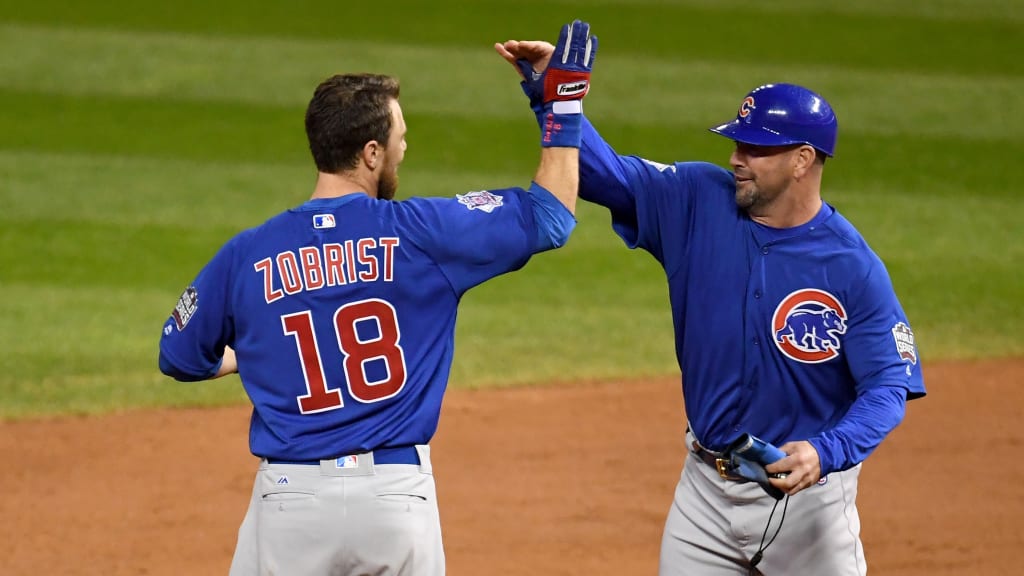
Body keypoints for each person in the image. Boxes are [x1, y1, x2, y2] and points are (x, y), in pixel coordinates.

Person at [158, 20, 596, 576]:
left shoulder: (248, 253)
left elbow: (178, 355)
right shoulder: (422, 233)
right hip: (394, 502)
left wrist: (259, 349)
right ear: (370, 153)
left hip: (289, 503)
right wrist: (561, 103)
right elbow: (551, 216)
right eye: (399, 139)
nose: (403, 149)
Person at [496, 39, 926, 575]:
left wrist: (826, 450)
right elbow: (603, 176)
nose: (736, 159)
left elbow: (888, 387)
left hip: (808, 506)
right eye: (737, 143)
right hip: (703, 493)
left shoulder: (851, 267)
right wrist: (553, 96)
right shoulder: (698, 198)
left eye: (755, 149)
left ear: (802, 160)